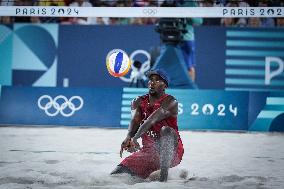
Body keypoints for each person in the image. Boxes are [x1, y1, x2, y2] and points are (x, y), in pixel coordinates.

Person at [111, 69, 184, 182]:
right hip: (149, 153)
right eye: (151, 79)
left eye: (157, 80)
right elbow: (135, 121)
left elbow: (151, 120)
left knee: (166, 131)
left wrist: (135, 138)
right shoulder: (138, 101)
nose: (152, 82)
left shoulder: (171, 101)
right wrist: (128, 138)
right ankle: (153, 173)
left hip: (172, 153)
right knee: (116, 174)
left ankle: (163, 179)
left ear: (165, 85)